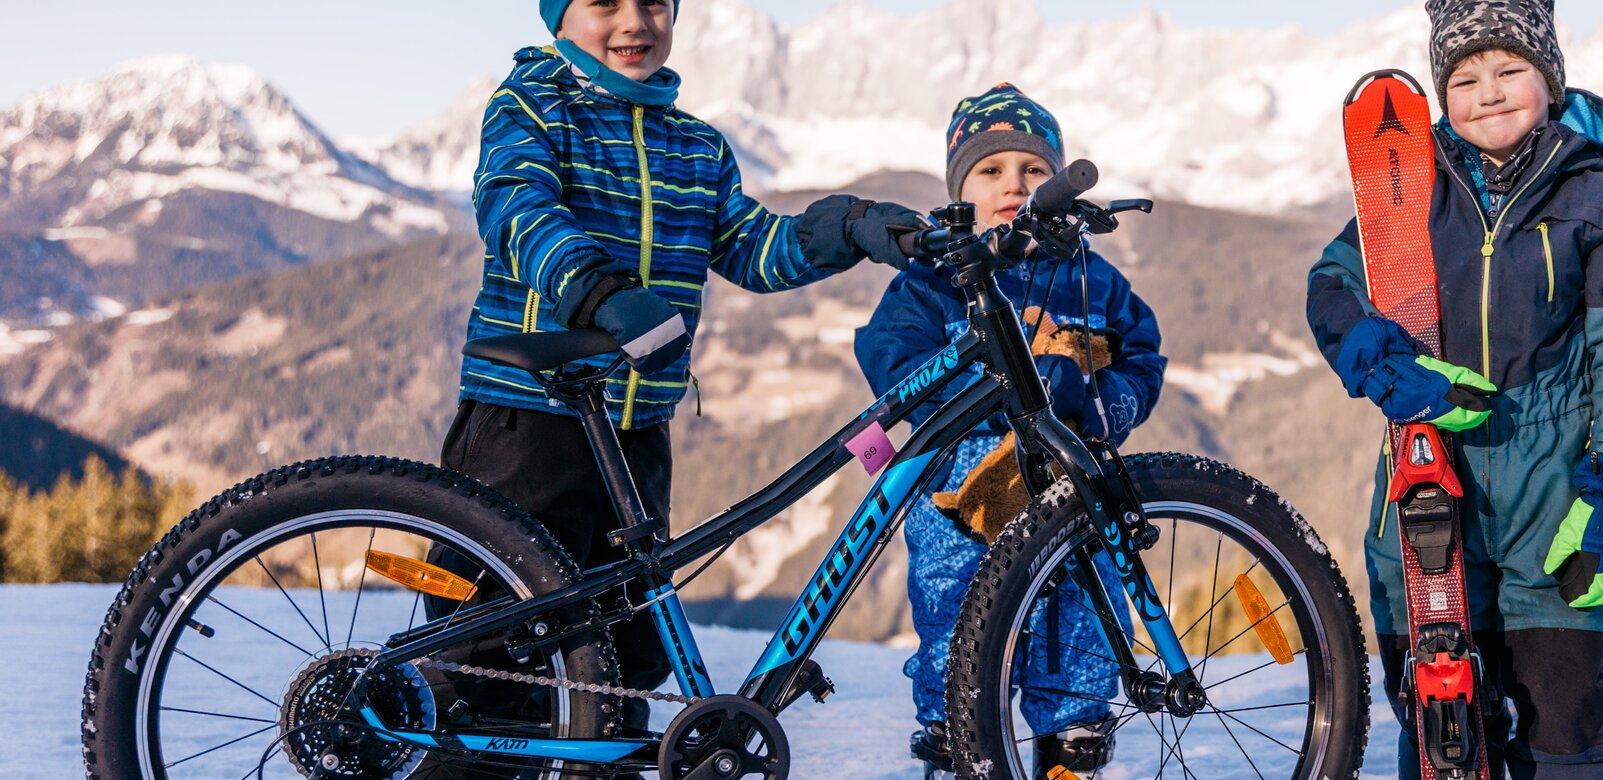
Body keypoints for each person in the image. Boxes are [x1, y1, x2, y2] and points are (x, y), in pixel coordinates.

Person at [433, 0, 923, 733]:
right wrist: (594, 290)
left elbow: (753, 250)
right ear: (560, 18)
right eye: (605, 3)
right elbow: (515, 207)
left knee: (630, 646)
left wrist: (843, 228)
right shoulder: (532, 105)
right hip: (528, 414)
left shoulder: (697, 147)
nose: (635, 20)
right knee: (494, 642)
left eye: (655, 3)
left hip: (634, 427)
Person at [1304, 1, 1603, 777]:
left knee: (1565, 705)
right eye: (1465, 77)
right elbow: (1334, 292)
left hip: (1557, 486)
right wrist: (1389, 369)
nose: (1490, 91)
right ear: (1442, 96)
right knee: (1441, 712)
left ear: (1551, 81)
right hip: (1426, 482)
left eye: (1511, 70)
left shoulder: (1602, 203)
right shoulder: (1409, 199)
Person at [852, 84, 1167, 777]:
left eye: (1032, 170)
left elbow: (1141, 356)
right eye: (990, 171)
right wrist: (983, 391)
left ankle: (1072, 743)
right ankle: (952, 735)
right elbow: (890, 355)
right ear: (960, 188)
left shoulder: (1092, 278)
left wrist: (1105, 407)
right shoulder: (936, 278)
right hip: (961, 488)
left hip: (1069, 483)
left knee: (1081, 617)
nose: (1013, 185)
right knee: (954, 617)